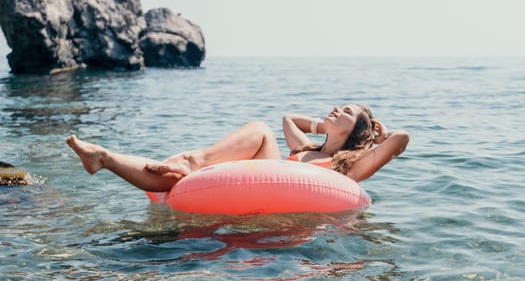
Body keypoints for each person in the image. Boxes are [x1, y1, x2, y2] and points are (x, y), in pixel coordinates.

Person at [66, 103, 409, 192]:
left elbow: (401, 139)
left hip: (290, 196)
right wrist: (325, 127)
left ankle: (192, 160)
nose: (337, 109)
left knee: (260, 130)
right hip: (266, 184)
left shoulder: (349, 166)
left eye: (346, 112)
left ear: (359, 129)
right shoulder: (305, 147)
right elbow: (289, 118)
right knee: (177, 182)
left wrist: (375, 134)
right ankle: (104, 158)